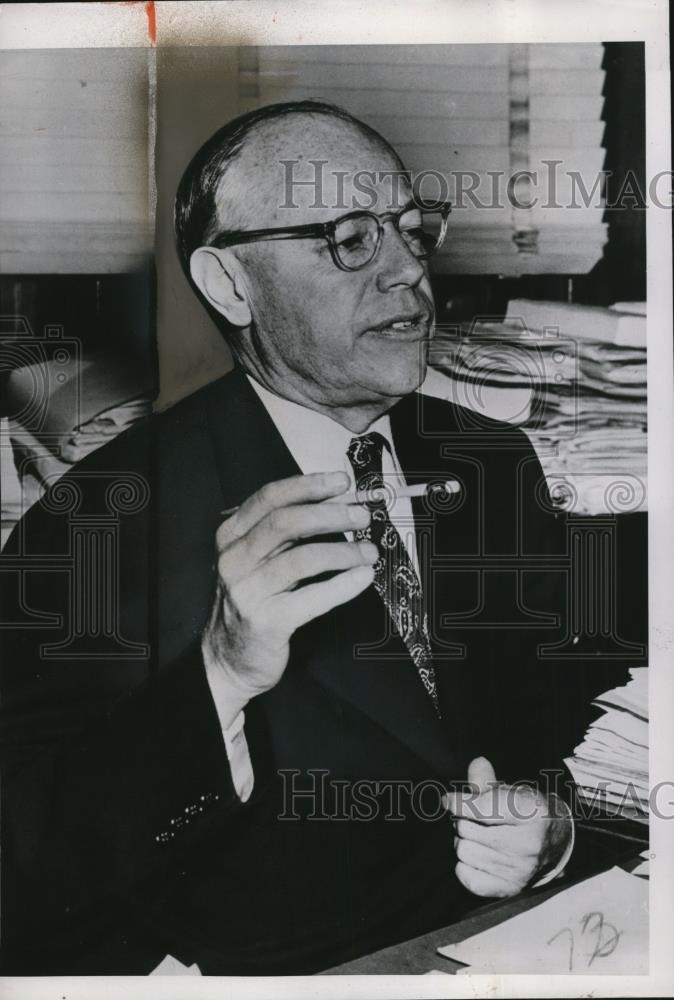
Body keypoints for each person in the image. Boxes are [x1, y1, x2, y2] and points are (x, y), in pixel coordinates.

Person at [0, 101, 617, 975]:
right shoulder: (94, 525)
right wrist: (220, 672)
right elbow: (25, 873)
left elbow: (556, 725)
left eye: (413, 230)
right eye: (350, 239)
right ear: (230, 284)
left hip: (518, 946)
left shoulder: (490, 459)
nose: (409, 270)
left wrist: (549, 830)